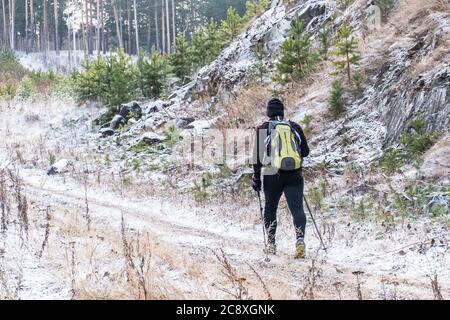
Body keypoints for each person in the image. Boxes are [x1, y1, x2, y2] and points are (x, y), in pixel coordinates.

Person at [252, 98, 310, 259]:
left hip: (271, 172)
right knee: (297, 209)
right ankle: (300, 241)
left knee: (270, 208)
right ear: (283, 112)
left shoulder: (263, 128)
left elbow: (257, 157)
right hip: (294, 173)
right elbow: (305, 152)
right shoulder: (294, 127)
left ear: (268, 112)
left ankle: (271, 244)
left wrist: (256, 178)